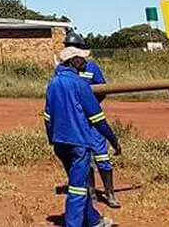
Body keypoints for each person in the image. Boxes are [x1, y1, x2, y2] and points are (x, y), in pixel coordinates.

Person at [45, 45, 121, 227]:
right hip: (78, 144)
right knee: (78, 189)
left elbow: (48, 117)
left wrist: (52, 139)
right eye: (82, 58)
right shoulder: (80, 84)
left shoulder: (52, 84)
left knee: (76, 181)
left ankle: (93, 220)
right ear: (73, 61)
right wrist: (113, 140)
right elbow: (98, 119)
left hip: (60, 143)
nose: (85, 62)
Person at [62, 30, 118, 208]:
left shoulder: (92, 67)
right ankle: (91, 193)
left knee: (102, 157)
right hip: (77, 121)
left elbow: (102, 89)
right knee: (83, 157)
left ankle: (109, 193)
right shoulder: (62, 69)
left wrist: (89, 104)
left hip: (92, 119)